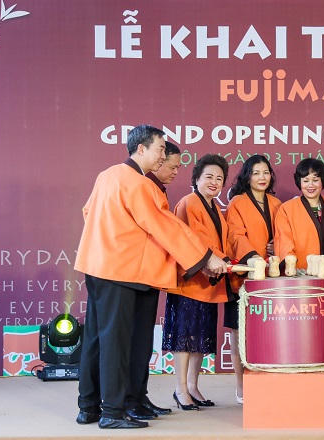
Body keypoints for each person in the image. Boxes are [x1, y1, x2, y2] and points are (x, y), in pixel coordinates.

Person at [74, 125, 227, 429]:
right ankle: (112, 412)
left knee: (96, 339)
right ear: (141, 149)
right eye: (160, 149)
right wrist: (206, 257)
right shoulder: (138, 183)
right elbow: (163, 226)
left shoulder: (107, 175)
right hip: (122, 269)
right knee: (118, 343)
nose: (162, 155)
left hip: (98, 265)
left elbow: (88, 212)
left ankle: (88, 406)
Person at [163, 154, 233, 411]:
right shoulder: (189, 202)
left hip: (209, 283)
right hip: (190, 282)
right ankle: (180, 389)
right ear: (196, 179)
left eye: (219, 178)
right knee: (185, 337)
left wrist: (225, 260)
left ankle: (193, 386)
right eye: (209, 177)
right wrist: (221, 259)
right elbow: (195, 240)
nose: (214, 182)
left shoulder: (214, 207)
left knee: (200, 338)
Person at [124, 141, 181, 421]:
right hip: (133, 274)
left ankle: (139, 396)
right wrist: (203, 259)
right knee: (134, 341)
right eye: (170, 164)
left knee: (144, 342)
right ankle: (128, 400)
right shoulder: (141, 186)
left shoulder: (155, 188)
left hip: (150, 275)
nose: (174, 171)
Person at [226, 154, 282, 403]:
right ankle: (241, 386)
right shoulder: (237, 202)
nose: (262, 177)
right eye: (256, 172)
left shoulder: (277, 203)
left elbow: (284, 234)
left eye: (266, 172)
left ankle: (267, 383)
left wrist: (277, 246)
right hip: (244, 277)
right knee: (240, 333)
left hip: (271, 278)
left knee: (268, 332)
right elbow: (235, 236)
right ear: (247, 176)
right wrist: (254, 259)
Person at [274, 158, 324, 270]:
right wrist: (291, 267)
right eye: (305, 181)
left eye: (315, 180)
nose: (311, 185)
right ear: (299, 182)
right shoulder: (287, 209)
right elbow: (284, 242)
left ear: (322, 181)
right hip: (301, 271)